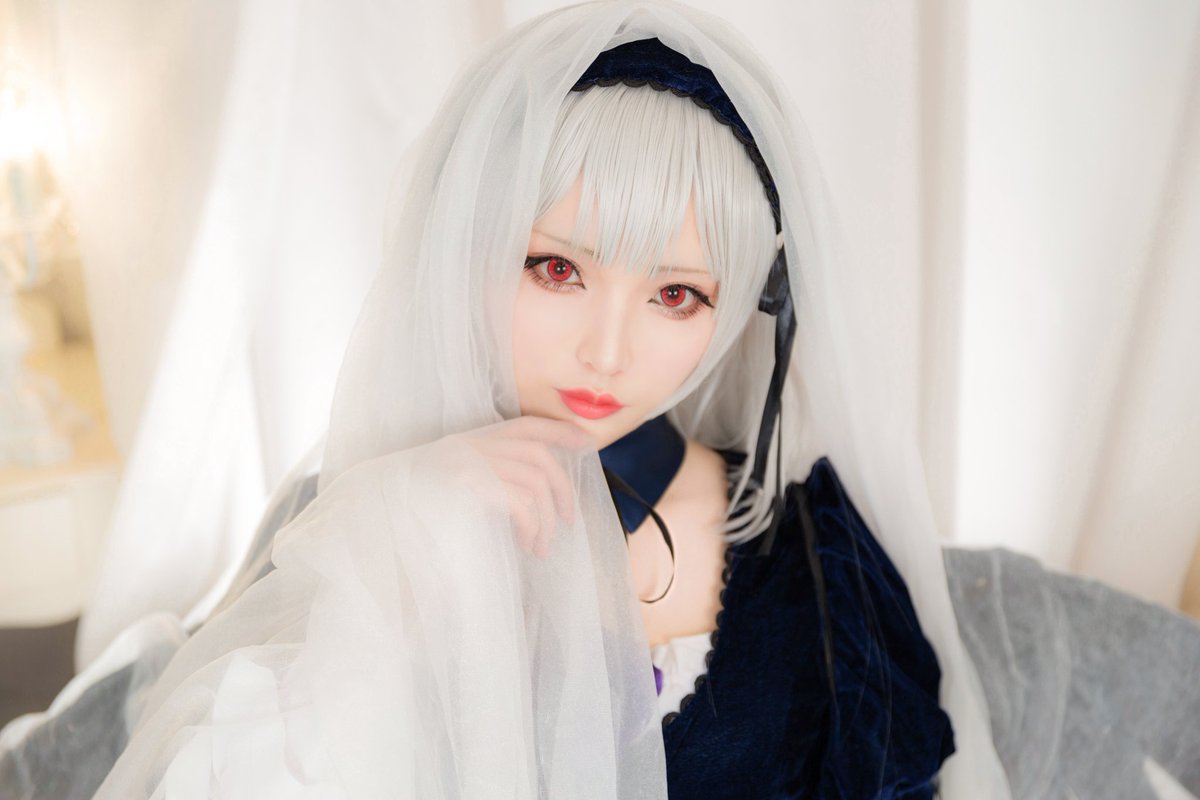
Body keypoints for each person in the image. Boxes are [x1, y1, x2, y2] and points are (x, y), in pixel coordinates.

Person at [1, 1, 1017, 797]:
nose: (607, 350)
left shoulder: (820, 563)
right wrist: (408, 542)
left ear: (743, 303)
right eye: (556, 268)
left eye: (676, 295)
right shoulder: (367, 518)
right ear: (472, 248)